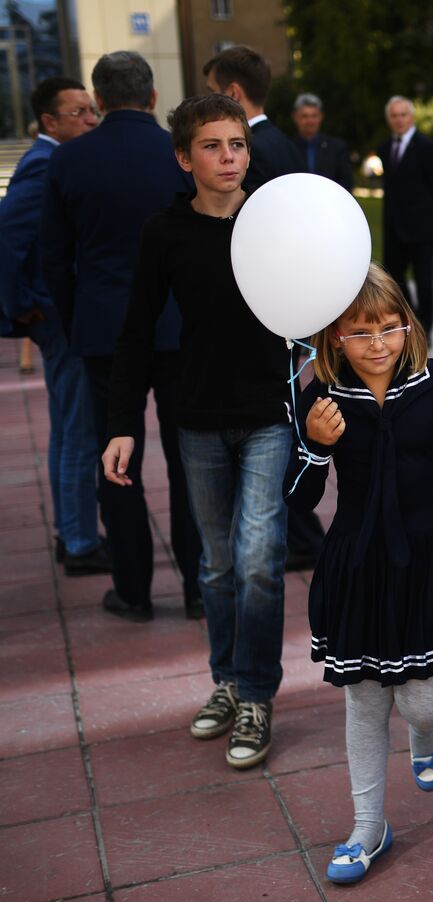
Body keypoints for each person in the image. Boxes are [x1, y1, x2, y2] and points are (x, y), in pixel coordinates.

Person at [285, 265, 433, 884]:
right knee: (364, 701)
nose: (381, 343)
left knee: (421, 700)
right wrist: (312, 444)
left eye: (391, 326)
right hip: (359, 561)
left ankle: (427, 735)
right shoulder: (320, 397)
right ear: (335, 336)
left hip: (432, 556)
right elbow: (300, 500)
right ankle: (368, 828)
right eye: (363, 332)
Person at [102, 94, 292, 770]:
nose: (228, 157)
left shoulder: (275, 218)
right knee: (214, 565)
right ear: (184, 158)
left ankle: (258, 695)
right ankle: (229, 681)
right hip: (198, 418)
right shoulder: (165, 233)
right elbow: (134, 333)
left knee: (259, 559)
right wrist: (123, 423)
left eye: (237, 144)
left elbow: (324, 299)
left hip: (271, 413)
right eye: (211, 146)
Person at [41, 50, 203, 622]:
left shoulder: (69, 160)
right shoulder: (181, 155)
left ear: (100, 100)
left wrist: (71, 319)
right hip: (180, 327)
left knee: (116, 459)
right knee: (192, 461)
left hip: (106, 331)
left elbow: (54, 259)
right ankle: (199, 590)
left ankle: (133, 591)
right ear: (154, 97)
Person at [205, 49, 325, 570]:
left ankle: (301, 531)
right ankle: (301, 529)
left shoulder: (260, 149)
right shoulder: (279, 142)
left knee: (282, 423)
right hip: (282, 306)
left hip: (268, 308)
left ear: (232, 93)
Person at [0, 76, 109, 577]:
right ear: (49, 121)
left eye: (91, 111)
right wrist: (21, 306)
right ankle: (82, 542)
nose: (90, 120)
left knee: (69, 428)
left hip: (57, 314)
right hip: (59, 318)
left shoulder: (51, 161)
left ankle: (73, 532)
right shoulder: (44, 164)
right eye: (79, 113)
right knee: (78, 429)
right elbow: (6, 237)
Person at [376, 96, 433, 338]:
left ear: (412, 117)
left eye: (403, 115)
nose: (399, 120)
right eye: (394, 116)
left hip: (422, 229)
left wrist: (429, 216)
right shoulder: (386, 148)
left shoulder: (427, 147)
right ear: (389, 119)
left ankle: (424, 331)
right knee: (394, 280)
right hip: (394, 229)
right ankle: (410, 320)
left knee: (424, 282)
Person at [203, 46, 305, 193]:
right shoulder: (287, 144)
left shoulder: (248, 150)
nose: (210, 101)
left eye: (213, 92)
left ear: (233, 93)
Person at [293, 92, 354, 191]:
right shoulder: (287, 148)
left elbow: (346, 182)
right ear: (295, 117)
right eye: (304, 116)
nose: (310, 121)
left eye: (314, 116)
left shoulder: (337, 148)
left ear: (321, 116)